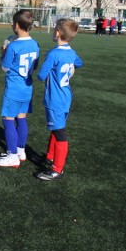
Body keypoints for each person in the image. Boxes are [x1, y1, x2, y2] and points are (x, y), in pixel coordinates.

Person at [34, 18, 84, 181]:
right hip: (66, 96)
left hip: (55, 99)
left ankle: (57, 169)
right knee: (56, 128)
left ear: (58, 33)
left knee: (60, 132)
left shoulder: (54, 54)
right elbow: (79, 63)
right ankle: (49, 157)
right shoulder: (72, 52)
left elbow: (41, 76)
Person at [0, 9, 40, 168]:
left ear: (17, 25)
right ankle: (21, 151)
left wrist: (3, 52)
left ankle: (12, 155)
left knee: (8, 119)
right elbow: (35, 66)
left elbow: (5, 67)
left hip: (13, 88)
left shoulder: (12, 46)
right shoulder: (35, 44)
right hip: (27, 88)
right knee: (22, 117)